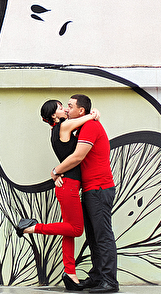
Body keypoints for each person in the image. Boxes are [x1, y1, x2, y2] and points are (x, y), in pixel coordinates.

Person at [15, 99, 100, 291]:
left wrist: (56, 173)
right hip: (68, 185)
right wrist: (94, 113)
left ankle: (70, 274)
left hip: (67, 184)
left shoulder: (57, 130)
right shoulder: (63, 126)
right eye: (61, 108)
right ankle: (30, 228)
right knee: (76, 229)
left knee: (68, 230)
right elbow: (88, 118)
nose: (65, 110)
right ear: (54, 115)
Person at [51, 94, 119, 293]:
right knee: (93, 236)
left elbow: (78, 157)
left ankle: (109, 281)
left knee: (103, 235)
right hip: (90, 189)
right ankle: (97, 277)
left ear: (81, 110)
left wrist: (55, 171)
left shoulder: (90, 126)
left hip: (100, 188)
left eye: (70, 106)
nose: (67, 109)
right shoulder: (82, 126)